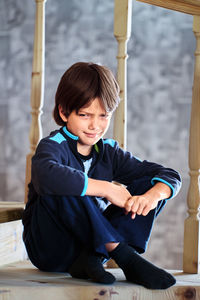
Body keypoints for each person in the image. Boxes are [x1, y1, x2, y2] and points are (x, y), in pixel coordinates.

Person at [22, 62, 181, 289]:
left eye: (104, 116)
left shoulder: (108, 150)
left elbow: (169, 175)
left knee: (148, 184)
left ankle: (94, 258)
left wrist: (151, 197)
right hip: (51, 248)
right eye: (85, 115)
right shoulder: (53, 146)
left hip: (88, 248)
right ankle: (124, 256)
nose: (95, 125)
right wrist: (106, 188)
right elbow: (46, 175)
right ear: (64, 112)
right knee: (63, 183)